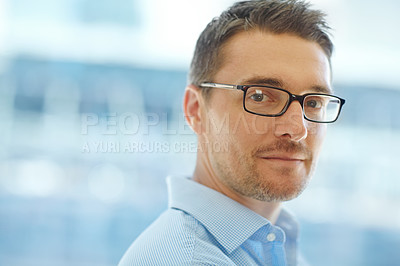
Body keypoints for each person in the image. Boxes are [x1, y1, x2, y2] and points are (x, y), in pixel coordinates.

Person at [119, 0, 345, 265]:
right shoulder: (188, 259)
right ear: (196, 110)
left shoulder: (271, 242)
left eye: (314, 103)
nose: (297, 130)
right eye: (260, 96)